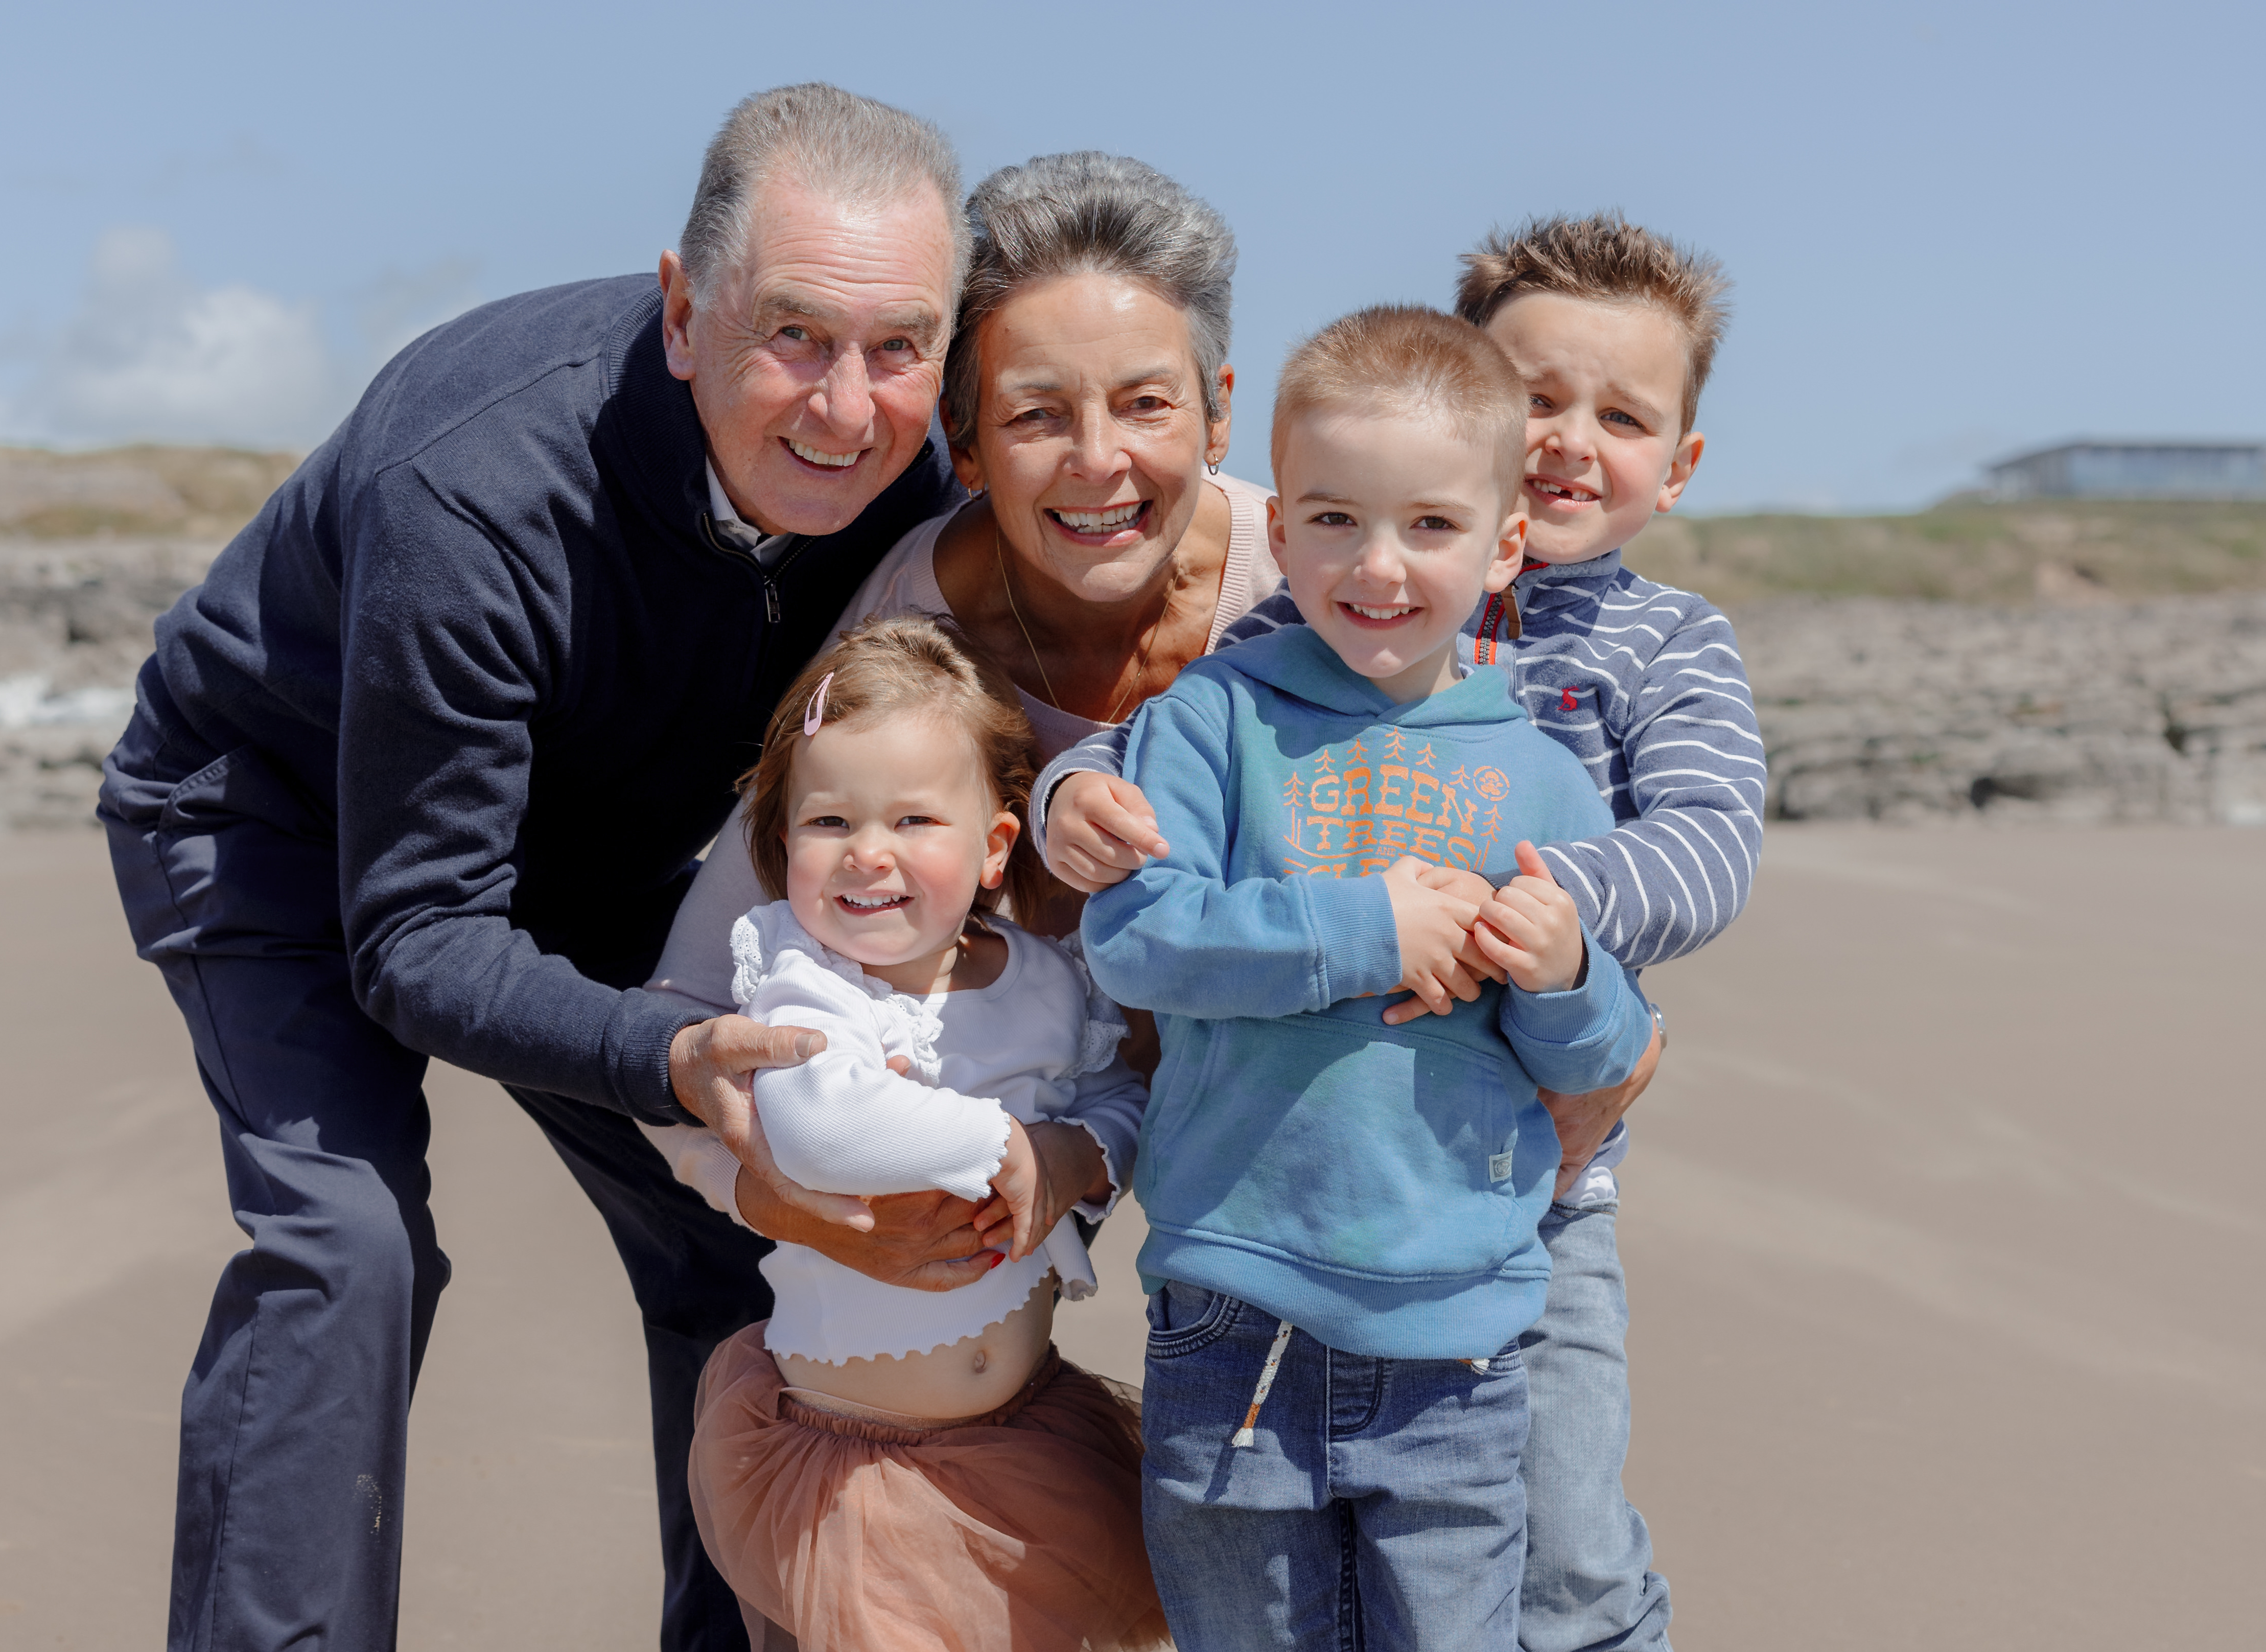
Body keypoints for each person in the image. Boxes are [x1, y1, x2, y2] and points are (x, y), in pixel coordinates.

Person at [96, 83, 995, 1652]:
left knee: (751, 1235)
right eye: (794, 336)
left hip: (594, 834)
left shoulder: (914, 491)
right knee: (349, 1245)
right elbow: (423, 936)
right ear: (681, 310)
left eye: (898, 348)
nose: (847, 409)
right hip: (272, 820)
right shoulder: (476, 486)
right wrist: (667, 1048)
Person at [1039, 214, 1762, 1652]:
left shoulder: (1661, 646)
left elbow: (1706, 846)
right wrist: (1071, 789)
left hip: (1541, 1184)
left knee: (1553, 1557)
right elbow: (1151, 762)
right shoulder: (1303, 625)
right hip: (1291, 1181)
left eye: (1617, 416)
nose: (1564, 440)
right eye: (1533, 394)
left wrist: (1519, 916)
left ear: (1675, 465)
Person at [653, 149, 1278, 1008]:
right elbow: (696, 987)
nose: (1098, 461)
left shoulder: (1327, 583)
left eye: (1146, 404)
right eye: (1036, 414)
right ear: (966, 442)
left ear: (1218, 413)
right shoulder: (906, 632)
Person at [650, 617, 1167, 1652]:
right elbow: (822, 1125)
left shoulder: (1042, 979)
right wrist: (1008, 1148)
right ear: (782, 841)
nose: (868, 853)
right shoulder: (806, 978)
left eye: (914, 821)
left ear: (993, 848)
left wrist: (1078, 1157)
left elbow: (1123, 1094)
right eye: (829, 821)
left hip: (1023, 1436)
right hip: (856, 1469)